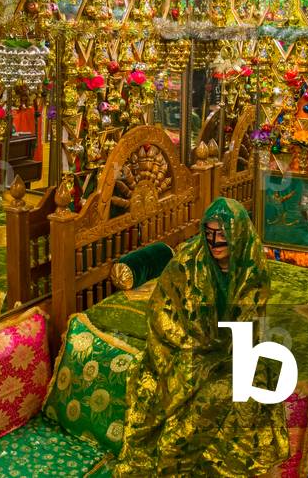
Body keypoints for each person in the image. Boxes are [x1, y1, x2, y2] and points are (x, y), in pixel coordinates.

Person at [114, 197, 289, 476]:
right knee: (180, 390)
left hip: (232, 348)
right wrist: (191, 345)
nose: (214, 242)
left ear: (238, 235)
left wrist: (232, 353)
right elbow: (161, 310)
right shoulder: (187, 262)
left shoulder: (251, 265)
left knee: (251, 391)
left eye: (222, 234)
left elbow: (249, 320)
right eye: (209, 234)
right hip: (187, 347)